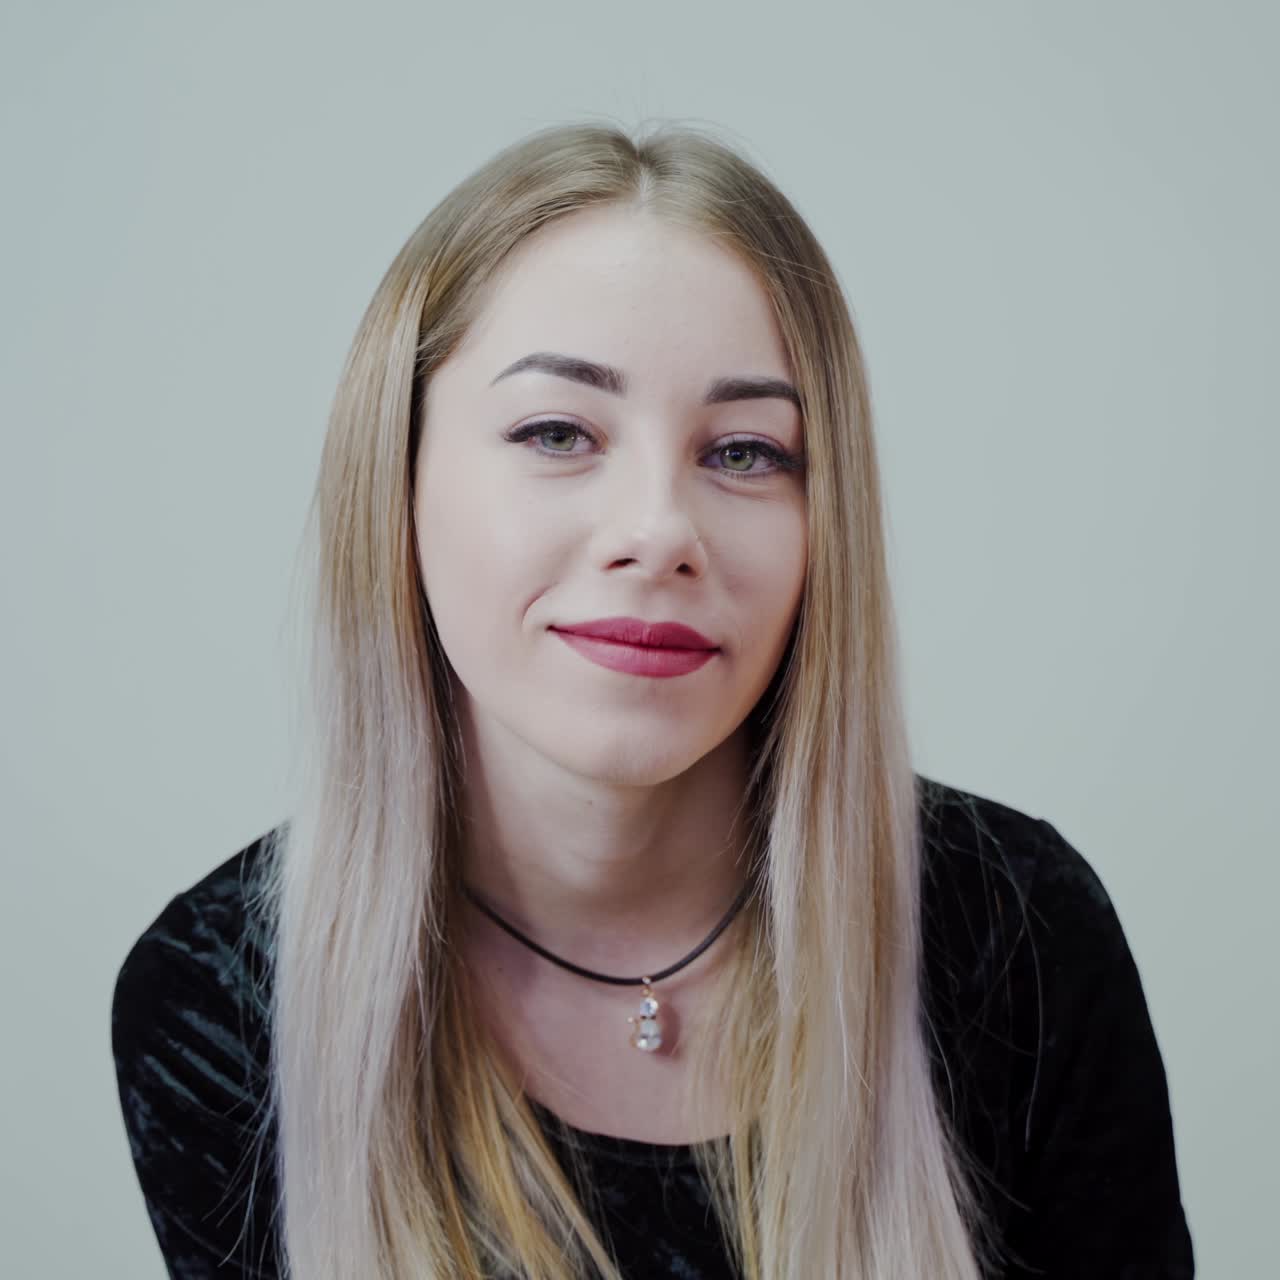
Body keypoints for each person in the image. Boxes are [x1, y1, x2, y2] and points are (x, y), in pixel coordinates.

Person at [110, 120, 1195, 1279]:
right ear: (399, 478)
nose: (657, 532)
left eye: (742, 452)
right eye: (556, 431)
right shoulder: (222, 996)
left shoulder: (1015, 937)